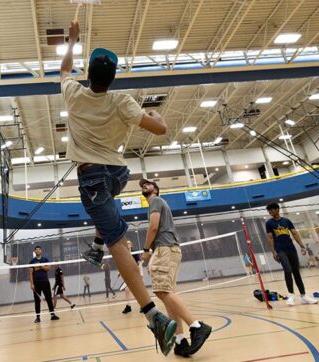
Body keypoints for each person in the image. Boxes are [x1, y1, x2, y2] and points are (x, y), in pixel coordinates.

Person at [59, 20, 177, 354]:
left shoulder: (73, 92)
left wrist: (73, 39)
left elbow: (64, 68)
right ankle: (96, 247)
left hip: (93, 177)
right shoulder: (123, 102)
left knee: (118, 242)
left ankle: (153, 314)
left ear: (89, 75)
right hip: (118, 175)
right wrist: (158, 114)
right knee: (107, 215)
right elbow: (159, 129)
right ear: (112, 78)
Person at [140, 179, 212, 357]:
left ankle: (196, 326)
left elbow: (154, 227)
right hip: (166, 250)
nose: (144, 186)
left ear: (156, 189)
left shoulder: (155, 201)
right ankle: (180, 340)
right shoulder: (157, 203)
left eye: (148, 184)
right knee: (166, 295)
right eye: (142, 185)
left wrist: (146, 250)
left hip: (164, 249)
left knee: (162, 292)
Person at [265, 203, 319, 306]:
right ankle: (291, 295)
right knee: (288, 270)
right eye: (269, 211)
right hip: (280, 250)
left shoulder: (287, 221)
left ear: (277, 209)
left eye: (272, 210)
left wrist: (302, 246)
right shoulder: (269, 223)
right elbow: (270, 238)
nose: (270, 212)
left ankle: (303, 296)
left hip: (291, 249)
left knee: (296, 272)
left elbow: (294, 233)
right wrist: (273, 251)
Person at [29, 246, 58, 323]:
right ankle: (38, 317)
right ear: (34, 251)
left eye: (39, 249)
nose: (38, 251)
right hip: (36, 283)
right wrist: (32, 284)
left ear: (41, 251)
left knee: (48, 298)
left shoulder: (45, 259)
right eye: (36, 250)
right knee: (37, 300)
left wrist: (42, 266)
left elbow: (48, 268)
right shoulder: (32, 261)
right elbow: (31, 273)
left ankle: (52, 315)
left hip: (45, 282)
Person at [119, 240, 142, 314]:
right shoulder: (125, 253)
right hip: (129, 274)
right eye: (127, 243)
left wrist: (138, 270)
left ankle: (143, 306)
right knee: (127, 290)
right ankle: (129, 306)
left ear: (131, 245)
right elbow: (124, 264)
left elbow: (140, 263)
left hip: (136, 273)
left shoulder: (134, 252)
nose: (127, 244)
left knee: (138, 290)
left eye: (129, 243)